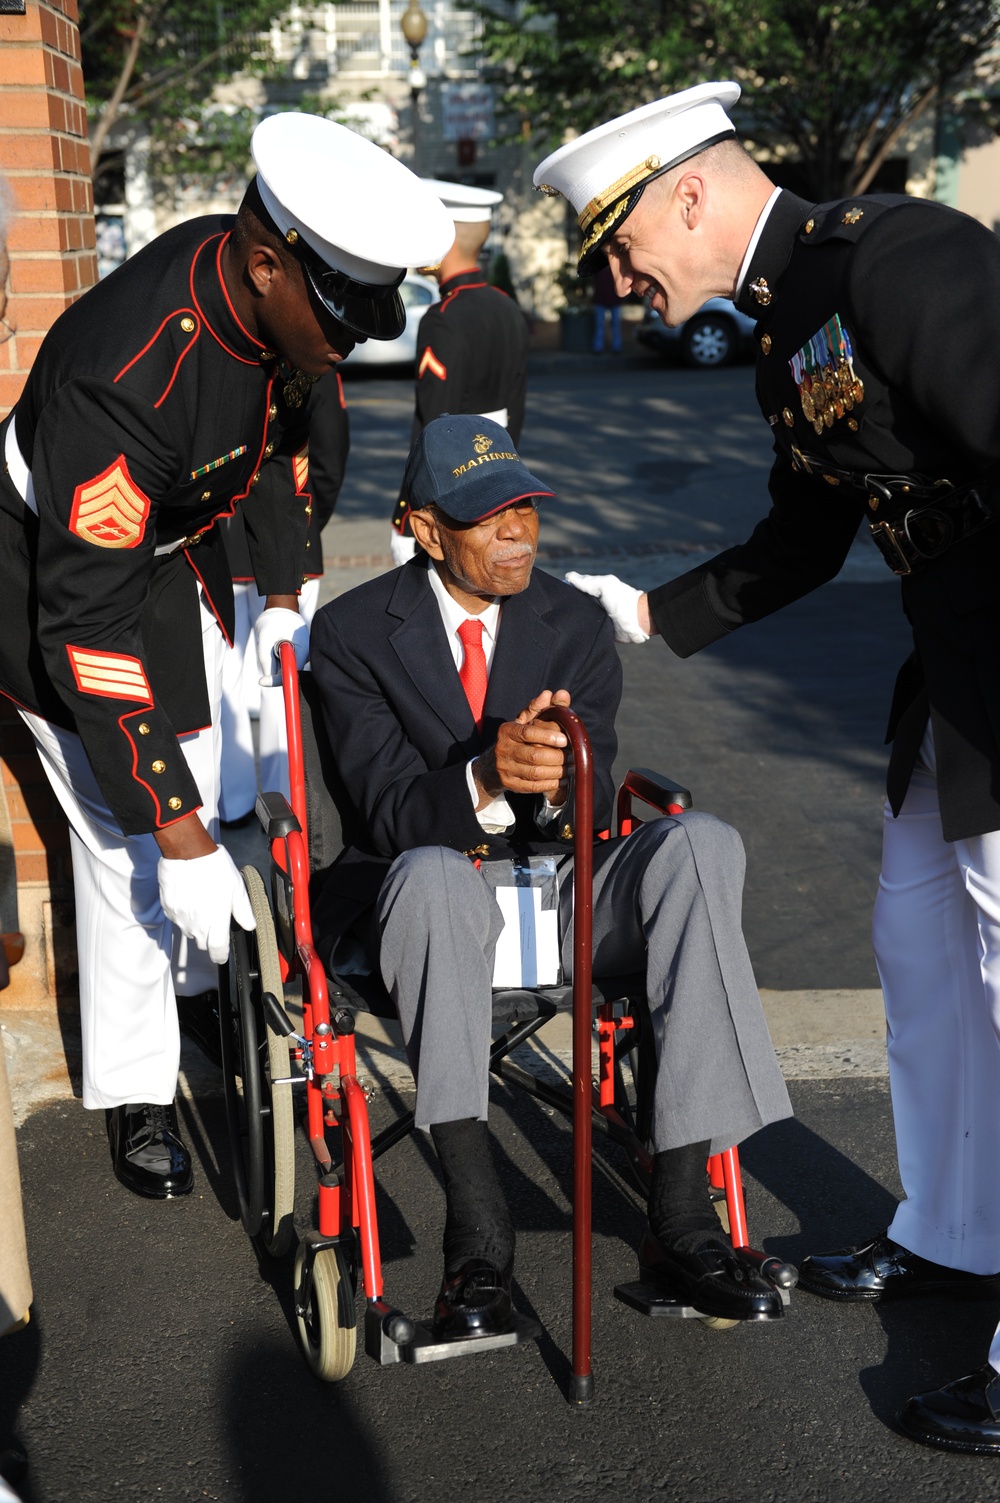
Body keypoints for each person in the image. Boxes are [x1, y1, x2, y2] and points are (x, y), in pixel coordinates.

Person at [535, 81, 1000, 1450]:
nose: (622, 283)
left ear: (687, 191)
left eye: (621, 250)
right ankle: (957, 1228)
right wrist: (638, 612)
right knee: (921, 956)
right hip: (954, 683)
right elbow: (803, 538)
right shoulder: (787, 327)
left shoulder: (904, 260)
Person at [0, 113, 453, 1199]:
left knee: (206, 787)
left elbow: (276, 450)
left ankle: (201, 983)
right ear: (264, 265)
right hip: (45, 584)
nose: (348, 340)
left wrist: (291, 589)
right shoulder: (124, 383)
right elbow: (87, 633)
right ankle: (136, 1086)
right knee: (128, 841)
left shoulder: (268, 302)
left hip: (155, 561)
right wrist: (176, 827)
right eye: (337, 315)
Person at [309, 412, 793, 1341]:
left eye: (526, 507)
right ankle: (479, 1239)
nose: (517, 531)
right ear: (420, 526)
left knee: (704, 844)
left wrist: (562, 779)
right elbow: (386, 814)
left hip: (560, 883)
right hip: (423, 883)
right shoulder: (354, 633)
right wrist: (486, 773)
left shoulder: (570, 619)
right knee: (438, 876)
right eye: (488, 515)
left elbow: (598, 801)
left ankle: (686, 1221)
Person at [217, 369, 350, 829]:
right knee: (281, 677)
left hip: (222, 539)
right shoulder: (311, 360)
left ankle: (230, 802)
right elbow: (330, 459)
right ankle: (279, 806)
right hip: (291, 542)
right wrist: (305, 525)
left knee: (226, 676)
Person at [389, 181, 529, 565]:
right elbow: (516, 405)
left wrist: (406, 515)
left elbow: (433, 426)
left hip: (452, 491)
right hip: (499, 476)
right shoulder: (507, 307)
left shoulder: (443, 318)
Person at [591, 261, 623, 355]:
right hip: (603, 299)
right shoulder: (600, 270)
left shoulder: (615, 268)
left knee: (614, 325)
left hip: (612, 299)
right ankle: (599, 347)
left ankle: (615, 347)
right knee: (601, 325)